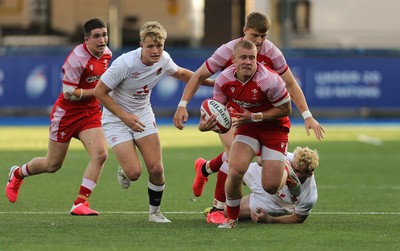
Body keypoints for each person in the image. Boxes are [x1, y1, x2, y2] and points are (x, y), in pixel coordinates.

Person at [174, 12, 323, 222]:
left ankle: (206, 168)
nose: (260, 41)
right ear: (244, 32)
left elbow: (289, 84)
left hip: (267, 117)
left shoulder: (272, 54)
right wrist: (183, 105)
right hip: (238, 113)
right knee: (234, 160)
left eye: (264, 36)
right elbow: (199, 76)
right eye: (255, 35)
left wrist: (307, 115)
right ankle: (219, 210)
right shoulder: (227, 51)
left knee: (264, 173)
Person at [94, 21, 212, 223]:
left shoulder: (163, 59)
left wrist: (213, 83)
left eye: (160, 46)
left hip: (143, 114)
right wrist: (125, 116)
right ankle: (125, 167)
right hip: (116, 118)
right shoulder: (125, 64)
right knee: (133, 173)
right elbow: (99, 92)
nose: (156, 51)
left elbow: (182, 74)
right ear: (141, 45)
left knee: (157, 169)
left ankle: (154, 213)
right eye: (150, 46)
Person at [5, 18, 112, 216]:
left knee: (101, 154)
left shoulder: (107, 54)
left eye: (104, 34)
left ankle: (80, 203)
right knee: (52, 165)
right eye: (96, 36)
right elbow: (69, 93)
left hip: (90, 113)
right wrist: (99, 91)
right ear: (86, 39)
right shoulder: (76, 59)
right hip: (67, 115)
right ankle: (17, 173)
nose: (102, 40)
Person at [201, 39, 297, 228]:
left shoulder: (269, 79)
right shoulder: (223, 80)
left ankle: (286, 168)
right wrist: (205, 126)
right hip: (247, 125)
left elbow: (286, 109)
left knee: (270, 187)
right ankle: (231, 219)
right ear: (233, 59)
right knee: (235, 170)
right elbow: (220, 114)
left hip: (274, 128)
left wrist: (255, 117)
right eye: (243, 57)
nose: (248, 61)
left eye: (252, 58)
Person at [204, 146, 319, 224]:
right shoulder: (287, 158)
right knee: (234, 167)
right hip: (264, 176)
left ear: (309, 174)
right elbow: (259, 160)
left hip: (274, 202)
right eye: (293, 168)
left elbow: (298, 218)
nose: (295, 172)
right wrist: (268, 162)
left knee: (227, 214)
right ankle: (204, 170)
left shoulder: (309, 196)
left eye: (298, 171)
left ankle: (222, 210)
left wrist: (270, 219)